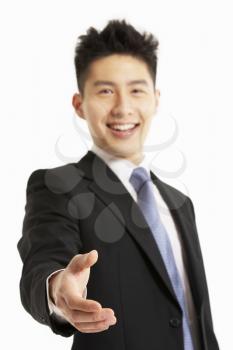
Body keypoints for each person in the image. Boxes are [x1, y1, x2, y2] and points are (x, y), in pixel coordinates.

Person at [17, 19, 219, 350]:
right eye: (106, 91)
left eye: (136, 90)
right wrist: (57, 290)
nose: (123, 107)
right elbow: (43, 260)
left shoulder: (180, 203)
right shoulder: (58, 185)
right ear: (79, 104)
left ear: (155, 99)